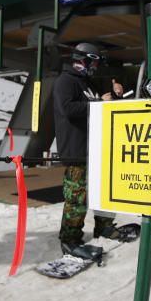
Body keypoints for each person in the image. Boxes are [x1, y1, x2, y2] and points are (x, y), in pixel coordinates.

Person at [53, 42, 139, 261]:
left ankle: (105, 227)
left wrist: (115, 98)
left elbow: (99, 107)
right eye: (94, 63)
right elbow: (68, 108)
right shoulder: (65, 81)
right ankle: (70, 239)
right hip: (76, 150)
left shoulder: (87, 83)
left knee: (103, 192)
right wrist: (97, 102)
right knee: (77, 199)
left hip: (96, 149)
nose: (95, 68)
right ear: (84, 61)